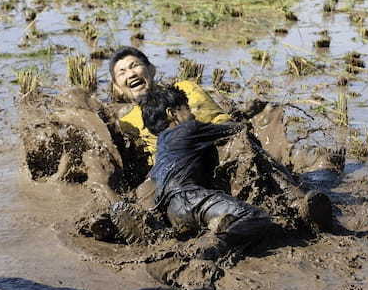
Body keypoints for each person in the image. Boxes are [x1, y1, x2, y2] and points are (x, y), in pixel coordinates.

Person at [108, 46, 333, 232]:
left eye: (135, 65)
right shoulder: (127, 123)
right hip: (182, 173)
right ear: (117, 87)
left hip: (216, 152)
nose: (131, 73)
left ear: (151, 69)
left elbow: (220, 121)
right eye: (122, 72)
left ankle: (298, 202)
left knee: (243, 146)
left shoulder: (184, 88)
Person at [140, 85, 274, 252]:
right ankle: (214, 246)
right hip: (190, 198)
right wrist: (248, 118)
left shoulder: (161, 144)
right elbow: (236, 129)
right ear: (171, 113)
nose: (192, 113)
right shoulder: (190, 128)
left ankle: (212, 228)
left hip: (170, 211)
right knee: (256, 217)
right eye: (186, 108)